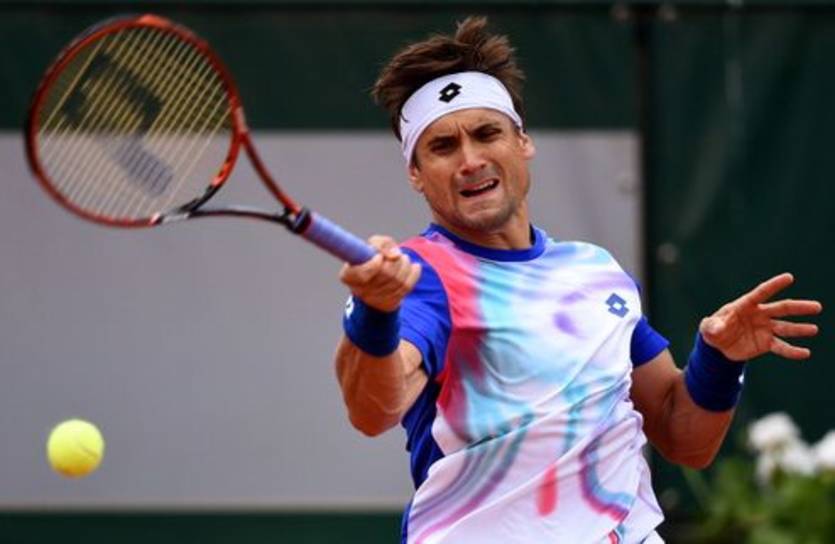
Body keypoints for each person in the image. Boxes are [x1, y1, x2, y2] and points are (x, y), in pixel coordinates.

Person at [333, 16, 822, 544]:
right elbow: (374, 411)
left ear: (522, 142)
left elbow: (684, 438)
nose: (470, 160)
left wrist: (720, 359)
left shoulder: (595, 270)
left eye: (487, 133)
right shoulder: (422, 275)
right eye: (443, 146)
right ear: (416, 173)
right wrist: (376, 313)